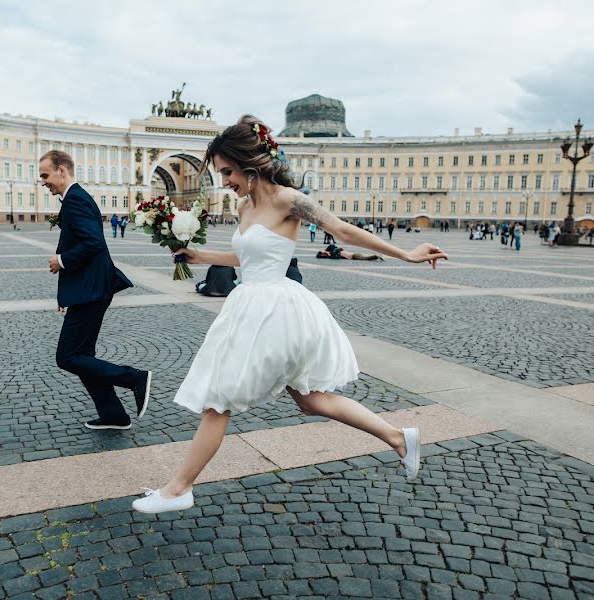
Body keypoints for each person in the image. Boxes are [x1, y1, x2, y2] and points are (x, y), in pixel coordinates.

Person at [132, 115, 447, 514]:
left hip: (277, 313)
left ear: (249, 163)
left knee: (218, 400)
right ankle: (400, 438)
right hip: (250, 306)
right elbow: (247, 257)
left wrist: (406, 253)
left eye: (227, 172)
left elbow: (342, 230)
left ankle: (178, 489)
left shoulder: (286, 200)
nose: (224, 181)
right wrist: (199, 256)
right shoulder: (246, 205)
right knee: (312, 400)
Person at [40, 150, 152, 430]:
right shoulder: (75, 199)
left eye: (46, 175)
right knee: (82, 357)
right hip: (88, 290)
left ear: (62, 170)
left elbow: (94, 244)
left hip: (92, 291)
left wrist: (61, 261)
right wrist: (66, 293)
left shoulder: (76, 199)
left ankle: (134, 378)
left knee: (67, 357)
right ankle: (114, 414)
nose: (43, 182)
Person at [316, 244, 383, 261]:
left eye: (323, 253)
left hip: (354, 255)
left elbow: (333, 246)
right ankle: (376, 256)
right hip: (353, 256)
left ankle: (376, 256)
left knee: (365, 258)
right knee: (365, 258)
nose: (324, 254)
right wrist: (328, 254)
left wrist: (328, 252)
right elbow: (337, 257)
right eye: (323, 254)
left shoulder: (333, 249)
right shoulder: (332, 255)